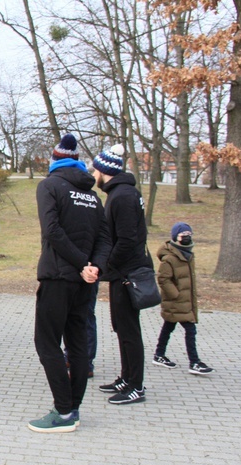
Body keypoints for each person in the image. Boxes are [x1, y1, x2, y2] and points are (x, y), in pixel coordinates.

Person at [28, 133, 111, 433]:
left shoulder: (49, 186)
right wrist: (94, 267)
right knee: (77, 345)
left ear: (54, 159)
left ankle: (63, 411)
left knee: (46, 342)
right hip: (84, 282)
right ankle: (73, 409)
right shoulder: (93, 196)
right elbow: (104, 238)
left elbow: (52, 230)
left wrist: (81, 265)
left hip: (59, 278)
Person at [93, 144, 152, 405]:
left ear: (105, 170)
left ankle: (135, 386)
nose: (92, 172)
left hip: (127, 274)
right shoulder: (119, 193)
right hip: (121, 274)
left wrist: (106, 265)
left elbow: (127, 240)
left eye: (95, 167)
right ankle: (126, 378)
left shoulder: (123, 196)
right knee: (121, 327)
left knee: (129, 330)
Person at [152, 222, 214, 375]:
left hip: (186, 301)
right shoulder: (169, 258)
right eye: (183, 235)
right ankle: (194, 362)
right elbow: (163, 279)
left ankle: (159, 355)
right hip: (176, 301)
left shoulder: (188, 255)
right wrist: (176, 295)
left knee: (168, 326)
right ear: (175, 237)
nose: (187, 238)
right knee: (190, 329)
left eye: (189, 235)